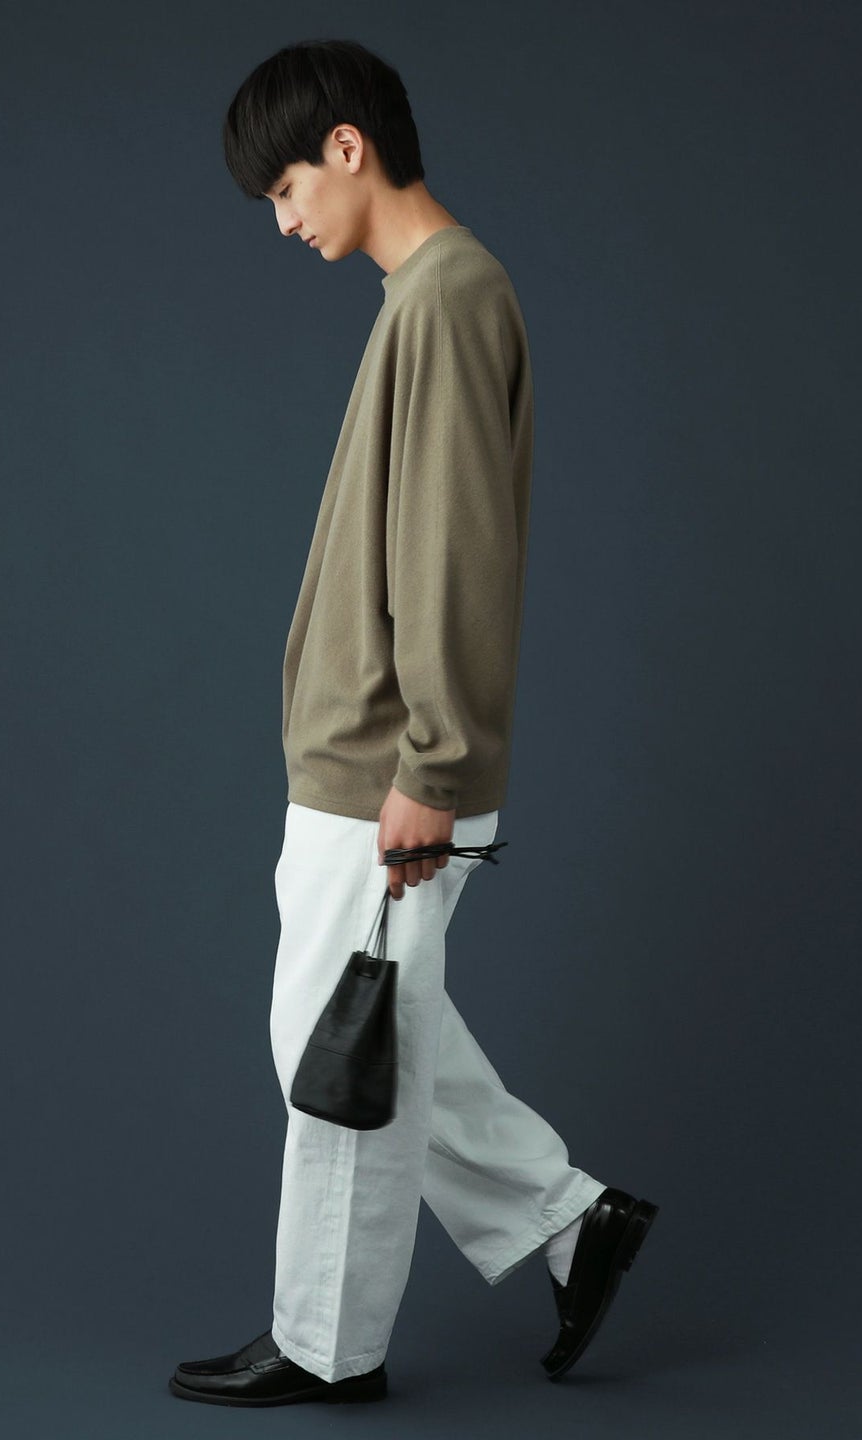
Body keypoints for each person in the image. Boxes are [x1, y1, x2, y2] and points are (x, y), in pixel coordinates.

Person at [168, 38, 658, 1408]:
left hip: (393, 765)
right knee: (373, 1033)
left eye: (283, 189)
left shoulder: (446, 296)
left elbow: (450, 551)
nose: (283, 222)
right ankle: (570, 1224)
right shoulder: (427, 295)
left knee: (334, 1055)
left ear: (346, 146)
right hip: (373, 757)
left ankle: (328, 1347)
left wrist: (431, 764)